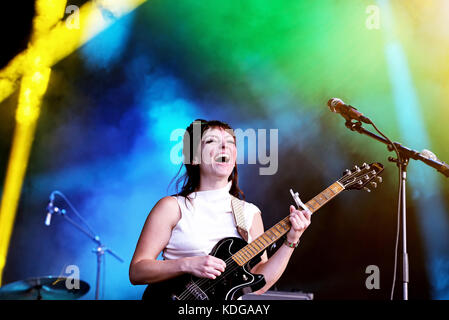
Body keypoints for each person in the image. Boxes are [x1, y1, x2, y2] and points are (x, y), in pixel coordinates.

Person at [129, 119, 311, 299]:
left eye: (230, 142)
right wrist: (187, 264)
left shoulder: (249, 213)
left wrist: (292, 240)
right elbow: (137, 271)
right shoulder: (172, 207)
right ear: (194, 158)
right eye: (211, 141)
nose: (224, 147)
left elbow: (258, 286)